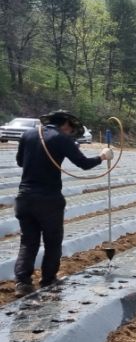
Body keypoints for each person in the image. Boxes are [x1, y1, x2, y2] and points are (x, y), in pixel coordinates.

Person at [14, 110, 113, 297]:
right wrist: (102, 156)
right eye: (71, 129)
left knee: (28, 241)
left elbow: (20, 162)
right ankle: (48, 280)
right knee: (52, 241)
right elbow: (83, 163)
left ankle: (23, 283)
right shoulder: (61, 138)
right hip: (49, 199)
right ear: (66, 124)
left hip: (24, 198)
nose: (70, 132)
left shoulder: (28, 134)